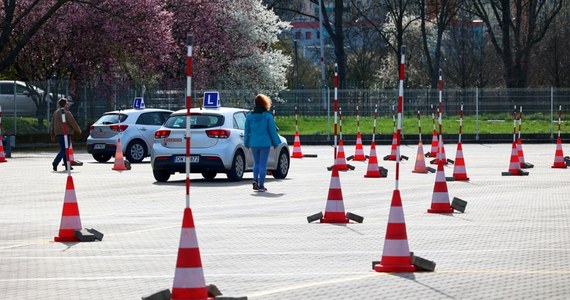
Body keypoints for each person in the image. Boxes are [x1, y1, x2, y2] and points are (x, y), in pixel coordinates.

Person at [244, 94, 281, 192]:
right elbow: (272, 130)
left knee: (256, 163)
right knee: (263, 164)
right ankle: (261, 185)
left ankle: (255, 180)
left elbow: (246, 130)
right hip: (265, 143)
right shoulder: (268, 116)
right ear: (265, 103)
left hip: (253, 143)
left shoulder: (249, 116)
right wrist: (275, 142)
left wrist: (246, 143)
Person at [50, 98, 82, 171]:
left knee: (64, 149)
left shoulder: (55, 113)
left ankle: (67, 165)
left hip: (58, 133)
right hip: (65, 133)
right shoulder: (67, 113)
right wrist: (78, 130)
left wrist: (52, 134)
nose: (67, 105)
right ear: (64, 104)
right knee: (65, 149)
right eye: (67, 103)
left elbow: (52, 124)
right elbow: (73, 123)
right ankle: (55, 162)